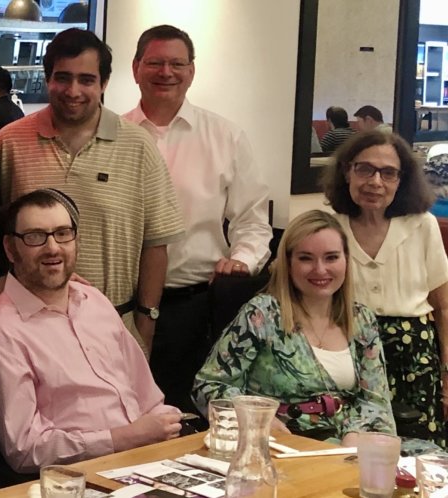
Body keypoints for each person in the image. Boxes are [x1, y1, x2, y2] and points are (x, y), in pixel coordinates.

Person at [0, 27, 185, 350]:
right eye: (62, 78)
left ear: (104, 83)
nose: (73, 90)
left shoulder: (139, 146)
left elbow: (156, 245)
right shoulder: (10, 142)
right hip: (28, 332)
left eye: (86, 79)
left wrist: (144, 326)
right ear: (47, 78)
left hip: (114, 328)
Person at [0, 189, 181, 474]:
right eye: (35, 236)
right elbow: (24, 450)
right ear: (11, 249)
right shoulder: (1, 332)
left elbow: (150, 401)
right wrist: (126, 438)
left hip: (151, 462)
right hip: (81, 479)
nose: (53, 248)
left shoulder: (94, 301)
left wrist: (167, 429)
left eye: (63, 233)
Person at [122, 24, 271, 412]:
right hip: (120, 306)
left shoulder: (226, 136)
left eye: (176, 63)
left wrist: (243, 261)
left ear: (192, 70)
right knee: (124, 413)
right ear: (136, 67)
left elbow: (253, 221)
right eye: (155, 62)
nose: (165, 72)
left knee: (189, 414)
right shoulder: (114, 134)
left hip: (194, 306)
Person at [192, 210, 395, 446]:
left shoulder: (362, 319)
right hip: (282, 443)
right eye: (306, 258)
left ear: (346, 261)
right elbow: (209, 386)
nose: (320, 270)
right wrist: (256, 417)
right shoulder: (263, 314)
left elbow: (376, 402)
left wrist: (354, 438)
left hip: (350, 443)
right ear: (288, 264)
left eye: (331, 257)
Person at [321, 130, 447, 448]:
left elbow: (444, 306)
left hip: (413, 358)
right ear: (347, 171)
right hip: (345, 352)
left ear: (401, 180)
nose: (375, 182)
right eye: (365, 169)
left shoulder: (422, 224)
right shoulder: (327, 224)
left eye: (388, 173)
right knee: (348, 450)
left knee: (412, 457)